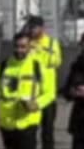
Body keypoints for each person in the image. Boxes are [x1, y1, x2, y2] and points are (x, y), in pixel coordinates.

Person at [0, 32, 53, 149]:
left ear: (30, 47)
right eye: (16, 46)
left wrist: (37, 104)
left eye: (23, 47)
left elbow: (49, 93)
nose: (19, 50)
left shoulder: (38, 67)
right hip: (7, 124)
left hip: (28, 122)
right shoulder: (2, 67)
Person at [24, 17, 61, 149]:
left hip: (48, 95)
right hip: (31, 93)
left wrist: (40, 52)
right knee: (29, 131)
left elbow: (56, 61)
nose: (31, 30)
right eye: (30, 27)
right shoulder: (26, 43)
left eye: (34, 27)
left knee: (48, 131)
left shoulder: (51, 43)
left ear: (41, 28)